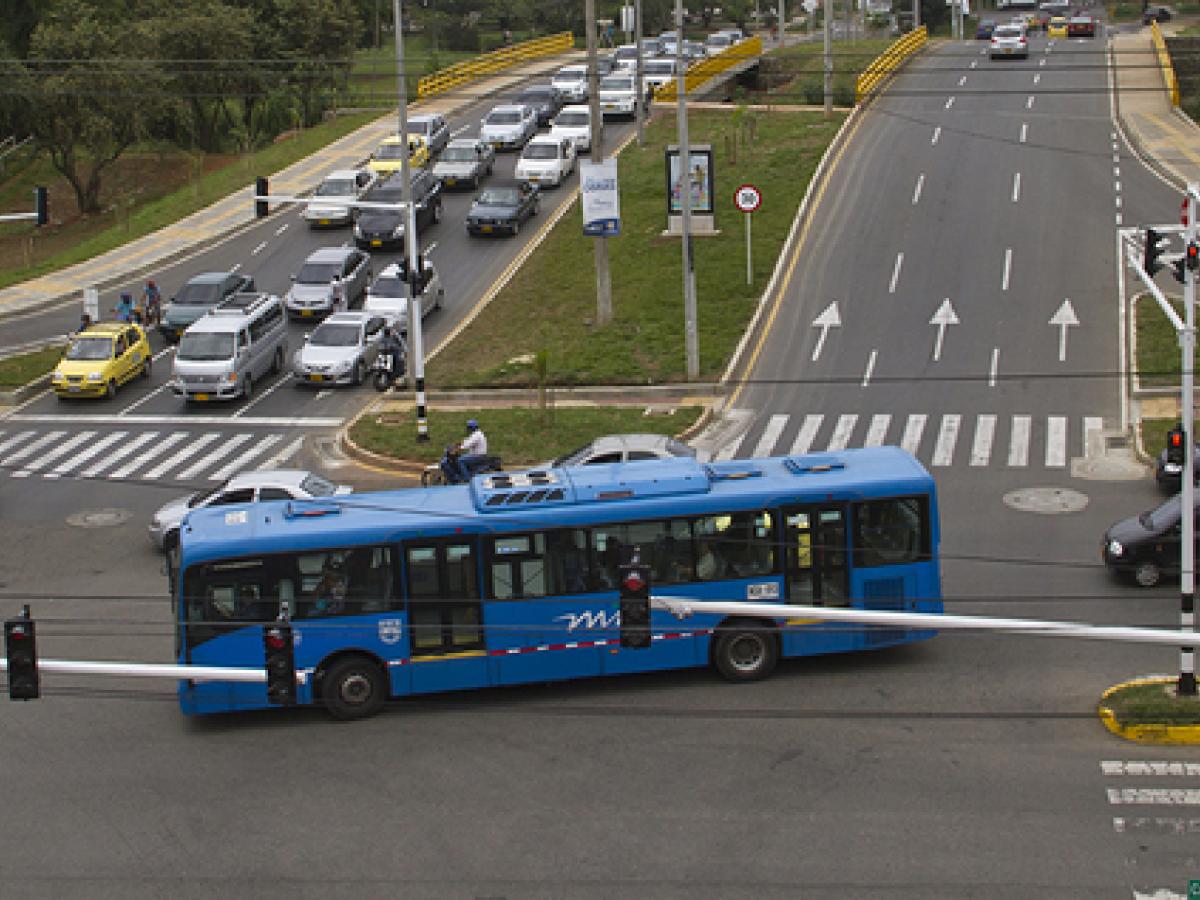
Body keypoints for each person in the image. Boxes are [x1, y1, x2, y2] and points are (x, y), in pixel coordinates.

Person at [441, 418, 488, 484]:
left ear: (472, 427)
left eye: (468, 427)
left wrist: (458, 448)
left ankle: (466, 479)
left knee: (460, 460)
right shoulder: (476, 434)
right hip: (475, 455)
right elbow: (467, 441)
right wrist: (458, 444)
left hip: (478, 456)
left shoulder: (477, 435)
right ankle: (459, 476)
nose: (468, 429)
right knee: (460, 457)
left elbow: (468, 444)